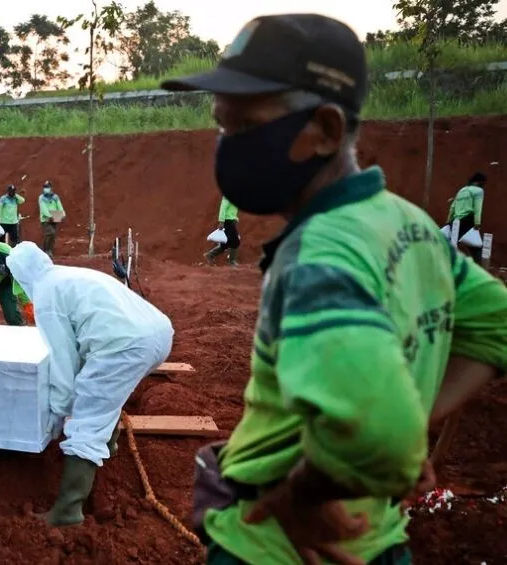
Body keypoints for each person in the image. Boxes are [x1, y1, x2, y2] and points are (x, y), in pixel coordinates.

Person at [161, 13, 507, 565]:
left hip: (273, 543)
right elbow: (496, 325)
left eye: (242, 127)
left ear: (323, 128)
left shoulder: (318, 257)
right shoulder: (407, 222)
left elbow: (381, 433)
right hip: (377, 536)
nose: (226, 148)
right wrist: (411, 424)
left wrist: (303, 496)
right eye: (220, 126)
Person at [6, 242, 173, 526]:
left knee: (87, 420)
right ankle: (109, 443)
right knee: (106, 392)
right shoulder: (66, 275)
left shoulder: (47, 295)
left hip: (125, 346)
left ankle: (67, 512)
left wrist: (57, 414)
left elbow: (63, 361)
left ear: (20, 275)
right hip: (158, 333)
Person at [446, 172, 486, 262]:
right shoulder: (479, 191)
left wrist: (448, 222)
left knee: (451, 245)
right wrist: (477, 223)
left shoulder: (462, 190)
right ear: (480, 182)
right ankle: (478, 269)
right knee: (476, 247)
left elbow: (452, 207)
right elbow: (477, 208)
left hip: (455, 221)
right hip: (468, 220)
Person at [205, 197, 241, 267]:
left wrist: (235, 218)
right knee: (236, 241)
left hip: (231, 220)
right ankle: (232, 261)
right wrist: (221, 221)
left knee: (228, 242)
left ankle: (210, 255)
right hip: (227, 221)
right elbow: (223, 208)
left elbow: (231, 210)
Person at [38, 181, 65, 258]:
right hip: (45, 219)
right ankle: (46, 250)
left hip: (54, 218)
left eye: (47, 187)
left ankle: (49, 250)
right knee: (51, 233)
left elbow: (59, 206)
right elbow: (43, 208)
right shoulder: (41, 198)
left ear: (51, 188)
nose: (46, 189)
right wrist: (50, 216)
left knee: (51, 235)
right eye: (45, 187)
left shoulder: (55, 197)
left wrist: (62, 214)